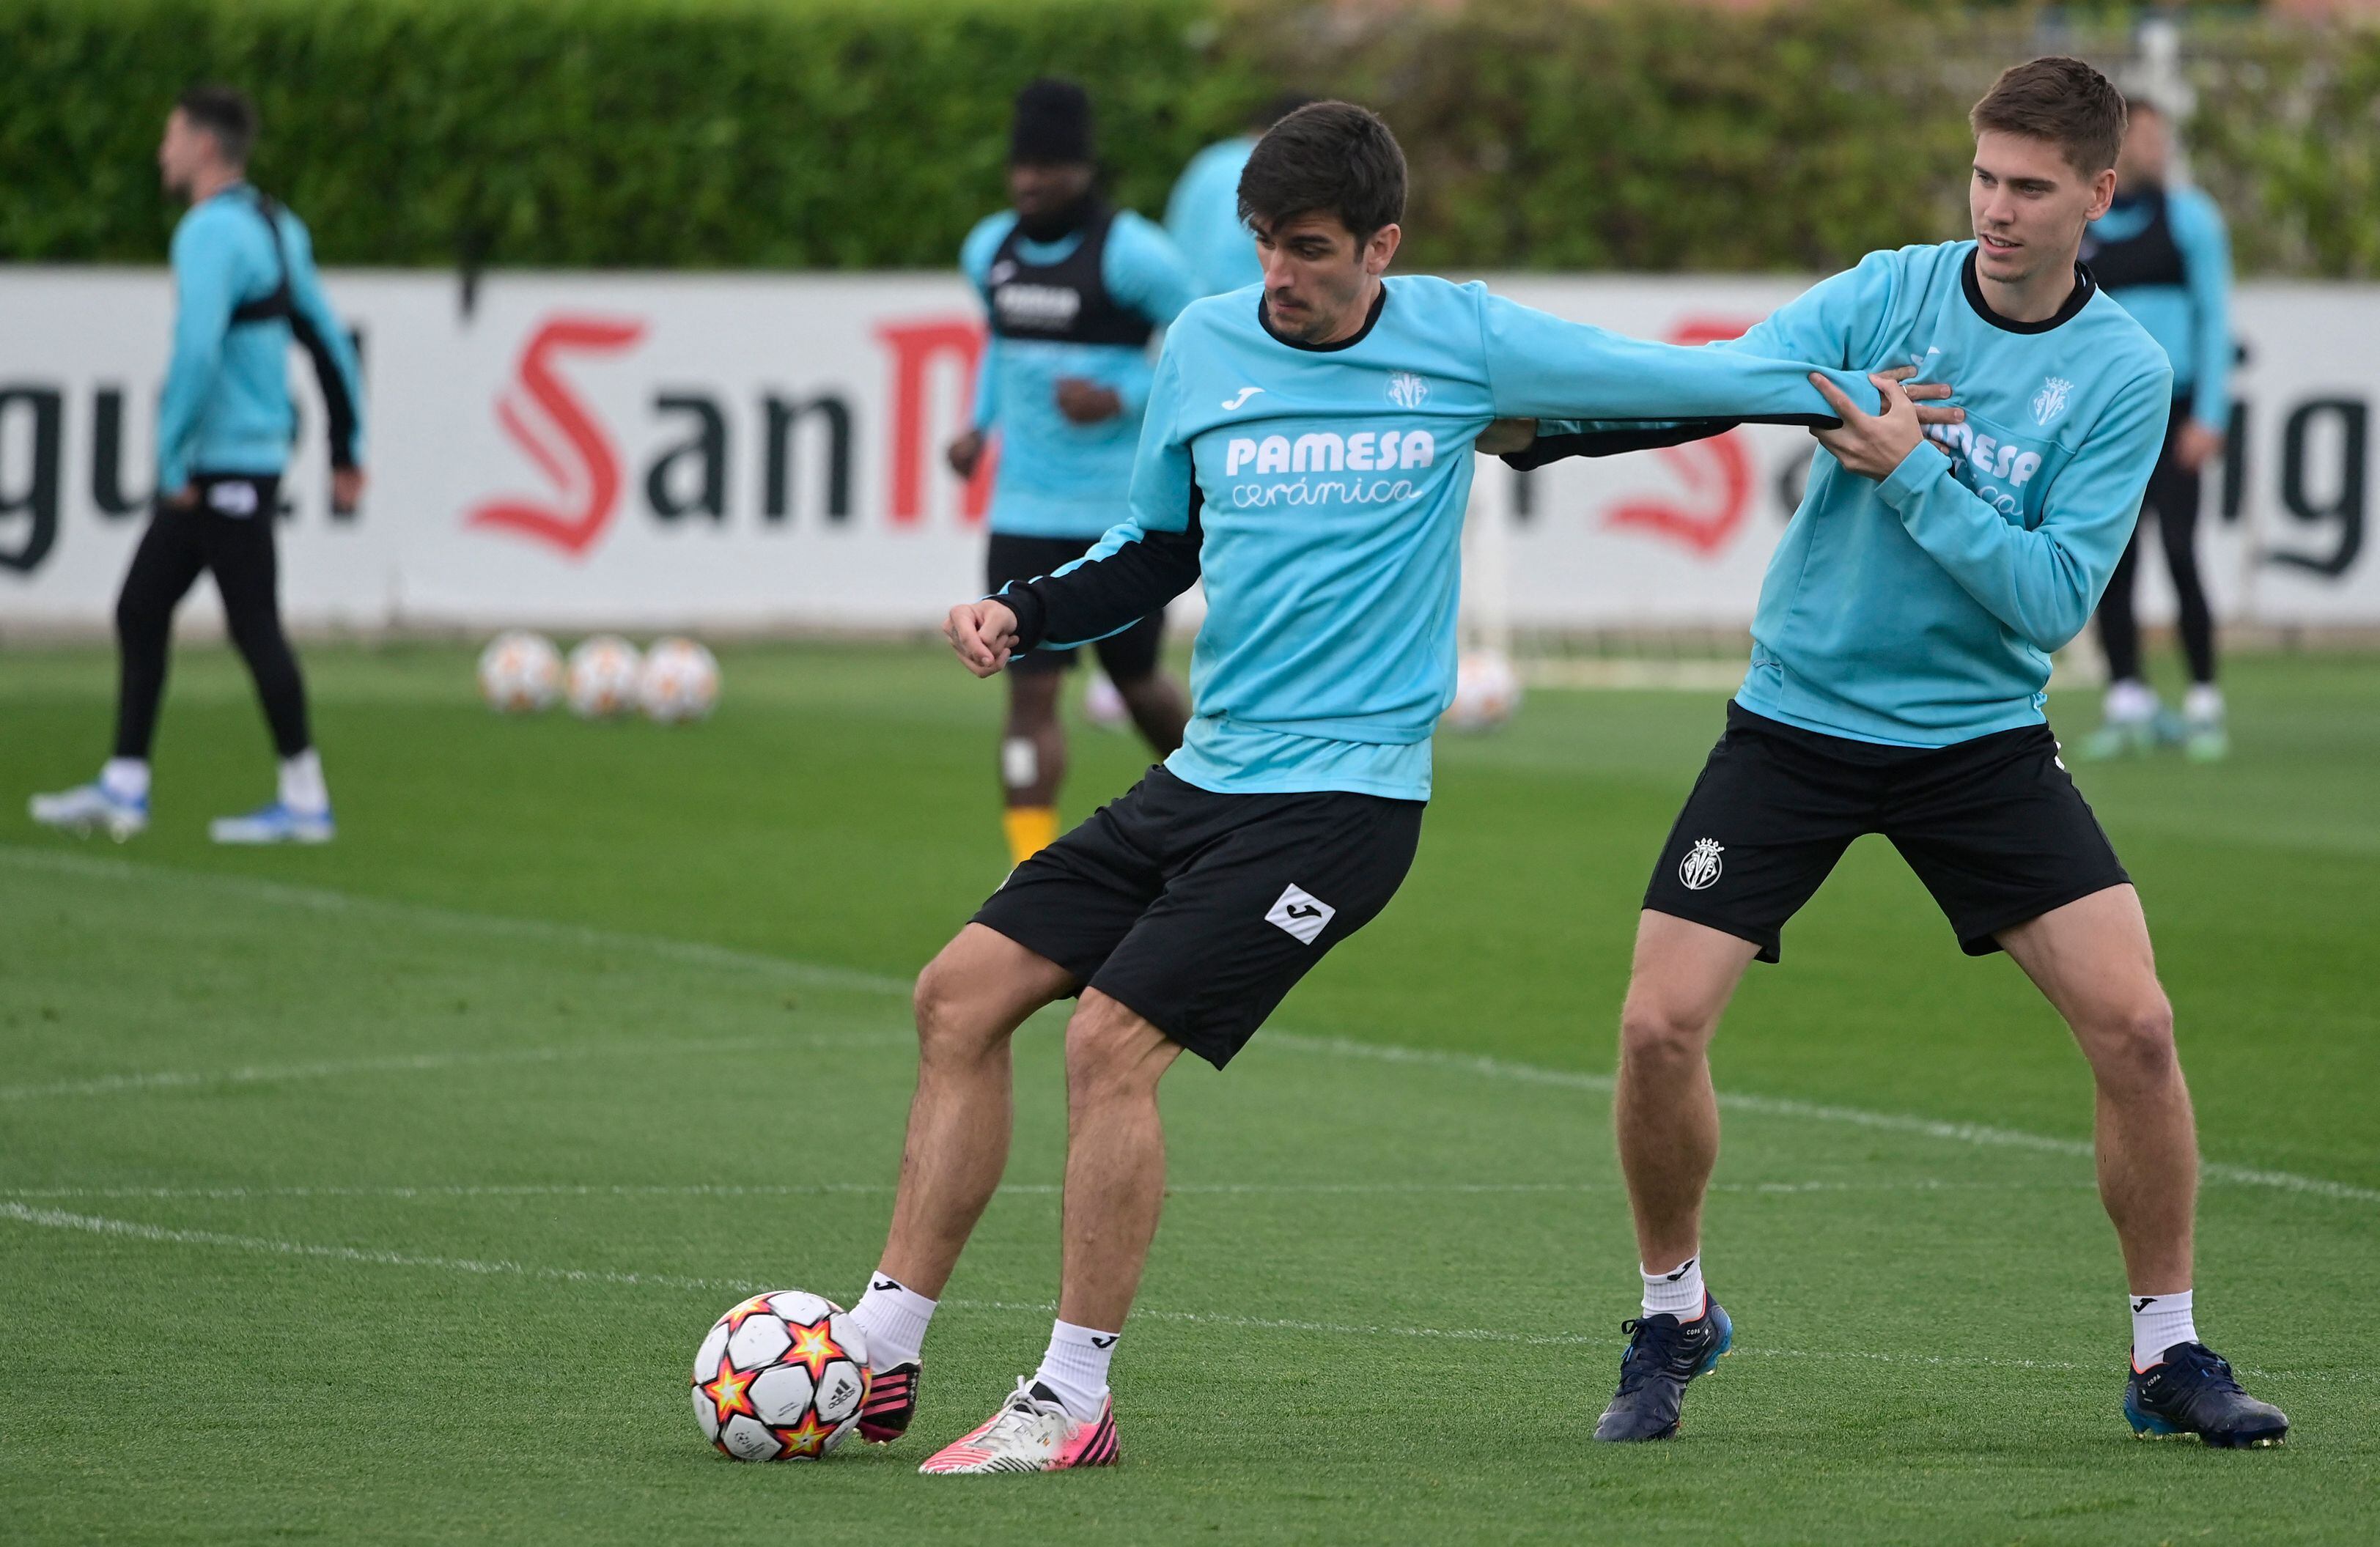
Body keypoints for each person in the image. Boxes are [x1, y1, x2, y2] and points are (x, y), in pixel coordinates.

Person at [841, 100, 1960, 1475]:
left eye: (1308, 248)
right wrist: (1025, 610)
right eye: (1262, 244)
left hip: (1343, 804)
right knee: (956, 994)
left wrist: (1839, 399)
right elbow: (1153, 544)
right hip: (1205, 778)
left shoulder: (1460, 338)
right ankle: (877, 1358)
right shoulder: (1202, 345)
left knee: (1106, 1046)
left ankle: (1071, 1398)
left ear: (1382, 244)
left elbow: (1667, 375)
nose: (1278, 275)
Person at [1504, 58, 2285, 1448]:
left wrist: (1910, 463)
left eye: (2031, 187)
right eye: (1984, 175)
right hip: (1795, 723)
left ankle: (2164, 1353)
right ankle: (1672, 1312)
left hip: (1979, 744)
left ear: (2097, 196)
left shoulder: (2121, 373)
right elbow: (1719, 384)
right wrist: (1544, 437)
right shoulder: (1888, 290)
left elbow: (2052, 601)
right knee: (1653, 1026)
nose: (1995, 208)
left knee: (2139, 1027)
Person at [29, 84, 364, 846]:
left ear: (205, 146)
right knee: (142, 607)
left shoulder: (208, 234)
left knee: (253, 626)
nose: (163, 150)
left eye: (172, 135)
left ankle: (305, 797)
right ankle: (124, 784)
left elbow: (197, 350)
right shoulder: (277, 224)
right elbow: (325, 339)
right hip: (246, 460)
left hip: (224, 464)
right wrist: (347, 447)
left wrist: (171, 450)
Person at [946, 79, 1201, 867]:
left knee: (1139, 686)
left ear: (1083, 169)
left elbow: (1202, 344)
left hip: (1117, 516)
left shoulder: (1135, 255)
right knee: (1028, 691)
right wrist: (977, 425)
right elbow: (999, 339)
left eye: (1049, 168)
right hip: (1021, 504)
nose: (1030, 182)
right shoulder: (989, 249)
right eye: (1021, 166)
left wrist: (1121, 395)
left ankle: (1222, 802)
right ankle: (1027, 864)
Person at [2079, 97, 2235, 761]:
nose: (2155, 148)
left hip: (2176, 415)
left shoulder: (2191, 219)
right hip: (2103, 415)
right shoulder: (2081, 224)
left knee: (2178, 547)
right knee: (2110, 557)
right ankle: (2127, 698)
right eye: (2141, 137)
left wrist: (2211, 416)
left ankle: (2202, 697)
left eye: (2160, 136)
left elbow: (2215, 319)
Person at [1163, 93, 1316, 298]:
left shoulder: (1212, 158)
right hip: (1227, 316)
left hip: (1176, 312)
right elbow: (1226, 262)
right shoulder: (1268, 170)